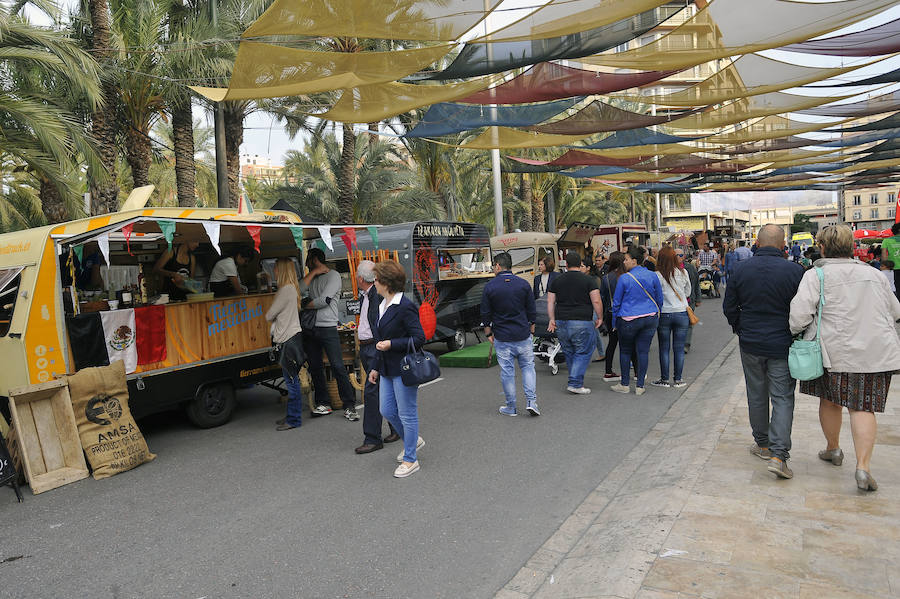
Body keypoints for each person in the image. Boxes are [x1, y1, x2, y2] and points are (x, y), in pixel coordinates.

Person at [790, 225, 900, 492]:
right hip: (873, 352)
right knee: (863, 407)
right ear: (852, 247)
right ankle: (863, 467)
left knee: (830, 402)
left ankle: (833, 448)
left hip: (833, 352)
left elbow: (798, 317)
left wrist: (797, 332)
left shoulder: (816, 275)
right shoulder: (874, 275)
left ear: (823, 247)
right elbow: (895, 310)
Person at [723, 224, 804, 480]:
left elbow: (729, 307)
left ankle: (763, 444)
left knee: (756, 393)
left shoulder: (740, 269)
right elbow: (803, 311)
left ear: (757, 243)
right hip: (782, 343)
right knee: (782, 396)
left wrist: (740, 327)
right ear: (783, 246)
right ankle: (779, 455)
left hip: (751, 342)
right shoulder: (795, 271)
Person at [367, 260, 427, 478]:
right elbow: (380, 339)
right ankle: (414, 441)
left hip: (404, 368)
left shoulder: (405, 306)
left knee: (407, 413)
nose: (373, 283)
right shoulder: (382, 304)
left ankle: (411, 459)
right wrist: (374, 367)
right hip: (385, 367)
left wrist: (393, 344)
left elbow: (419, 338)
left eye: (376, 279)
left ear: (386, 282)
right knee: (387, 410)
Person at [299, 247, 359, 422]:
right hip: (311, 327)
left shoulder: (334, 276)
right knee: (315, 366)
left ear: (315, 259)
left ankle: (349, 405)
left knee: (337, 365)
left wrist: (304, 304)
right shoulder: (314, 276)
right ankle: (323, 403)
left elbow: (324, 301)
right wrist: (315, 271)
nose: (306, 264)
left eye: (308, 260)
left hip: (327, 327)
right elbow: (299, 289)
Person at [481, 252, 539, 417]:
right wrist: (532, 328)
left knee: (507, 372)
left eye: (493, 266)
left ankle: (511, 407)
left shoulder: (490, 286)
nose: (493, 269)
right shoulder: (523, 284)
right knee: (528, 367)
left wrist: (488, 333)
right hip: (522, 333)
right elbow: (531, 309)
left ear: (498, 266)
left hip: (502, 335)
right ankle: (531, 402)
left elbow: (485, 314)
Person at [354, 260, 398, 454]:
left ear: (361, 278)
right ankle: (396, 428)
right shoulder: (366, 294)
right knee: (382, 389)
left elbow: (380, 322)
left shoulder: (375, 294)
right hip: (369, 346)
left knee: (372, 392)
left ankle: (373, 438)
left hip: (374, 347)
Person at [547, 252, 603, 394]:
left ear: (566, 265)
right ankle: (575, 383)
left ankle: (575, 380)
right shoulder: (589, 280)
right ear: (580, 264)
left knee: (569, 351)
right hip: (582, 320)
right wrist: (600, 317)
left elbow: (550, 301)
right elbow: (596, 300)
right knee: (583, 351)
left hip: (561, 320)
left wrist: (552, 319)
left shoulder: (557, 280)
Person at [610, 246, 663, 396]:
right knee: (643, 351)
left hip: (628, 318)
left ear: (634, 261)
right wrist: (657, 312)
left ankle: (625, 384)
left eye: (626, 259)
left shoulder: (625, 278)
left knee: (625, 351)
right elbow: (659, 298)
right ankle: (640, 385)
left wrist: (614, 322)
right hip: (650, 317)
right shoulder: (652, 275)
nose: (624, 262)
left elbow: (617, 303)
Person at [266, 258, 305, 431]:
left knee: (291, 382)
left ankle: (294, 419)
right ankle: (291, 415)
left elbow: (269, 315)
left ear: (280, 271)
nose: (273, 271)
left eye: (275, 268)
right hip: (293, 338)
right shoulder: (292, 288)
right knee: (292, 380)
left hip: (287, 340)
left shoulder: (285, 290)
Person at [652, 247, 692, 389]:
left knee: (664, 348)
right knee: (679, 348)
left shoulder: (657, 275)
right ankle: (678, 379)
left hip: (664, 313)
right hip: (681, 312)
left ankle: (664, 379)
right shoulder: (682, 272)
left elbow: (655, 295)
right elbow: (688, 292)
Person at [599, 252, 626, 381]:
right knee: (628, 343)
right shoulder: (627, 276)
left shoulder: (606, 278)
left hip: (611, 314)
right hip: (626, 313)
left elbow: (602, 297)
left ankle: (608, 371)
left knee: (612, 342)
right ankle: (636, 372)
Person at [681, 249, 700, 354]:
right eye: (675, 255)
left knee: (689, 322)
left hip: (689, 301)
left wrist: (698, 299)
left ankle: (686, 344)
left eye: (680, 255)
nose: (678, 257)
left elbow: (696, 283)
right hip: (676, 302)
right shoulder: (669, 269)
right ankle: (679, 342)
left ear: (684, 257)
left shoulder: (690, 268)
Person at [880, 222, 900, 299]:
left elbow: (884, 255)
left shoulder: (887, 241)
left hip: (893, 267)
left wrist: (885, 266)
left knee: (896, 286)